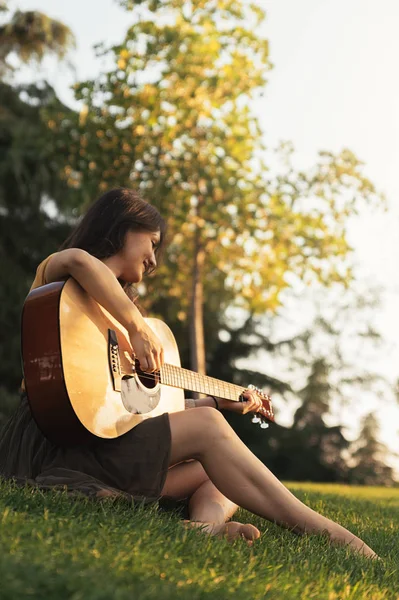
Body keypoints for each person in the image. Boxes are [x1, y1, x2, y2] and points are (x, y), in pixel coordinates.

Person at [0, 188, 378, 558]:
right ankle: (327, 533)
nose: (154, 260)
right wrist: (136, 326)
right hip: (55, 447)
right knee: (209, 428)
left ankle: (203, 528)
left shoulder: (125, 318)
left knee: (222, 468)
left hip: (100, 447)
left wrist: (214, 400)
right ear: (122, 226)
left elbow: (133, 412)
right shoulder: (56, 281)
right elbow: (81, 262)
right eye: (153, 242)